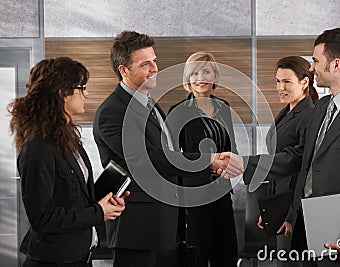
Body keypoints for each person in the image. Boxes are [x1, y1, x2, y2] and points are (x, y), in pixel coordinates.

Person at [241, 28, 340, 266]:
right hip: (310, 229)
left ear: (336, 64)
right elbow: (306, 164)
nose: (311, 67)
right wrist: (293, 215)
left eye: (315, 60)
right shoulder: (322, 106)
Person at [93, 31, 243, 267]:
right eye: (145, 64)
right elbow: (150, 159)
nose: (154, 68)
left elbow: (170, 155)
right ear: (124, 70)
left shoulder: (150, 104)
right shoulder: (113, 112)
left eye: (154, 61)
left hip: (166, 224)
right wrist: (209, 161)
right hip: (139, 230)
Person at [8, 57, 127, 267]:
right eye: (81, 88)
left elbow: (73, 197)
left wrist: (105, 202)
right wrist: (98, 212)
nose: (86, 94)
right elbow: (42, 218)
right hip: (53, 261)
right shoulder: (38, 147)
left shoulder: (67, 136)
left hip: (81, 256)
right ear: (62, 93)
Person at [167, 52, 238, 267]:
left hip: (222, 193)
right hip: (193, 198)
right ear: (188, 78)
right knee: (196, 259)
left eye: (206, 71)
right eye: (195, 72)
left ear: (215, 76)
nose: (201, 77)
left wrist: (225, 166)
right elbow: (172, 158)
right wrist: (207, 164)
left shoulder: (223, 107)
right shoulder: (177, 112)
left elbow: (231, 147)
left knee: (226, 256)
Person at [256, 56, 318, 266]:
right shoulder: (287, 111)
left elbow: (304, 169)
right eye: (277, 81)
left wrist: (291, 214)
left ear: (304, 82)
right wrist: (269, 209)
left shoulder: (309, 115)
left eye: (286, 81)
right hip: (279, 202)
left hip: (293, 207)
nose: (280, 87)